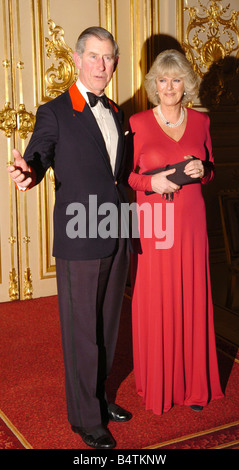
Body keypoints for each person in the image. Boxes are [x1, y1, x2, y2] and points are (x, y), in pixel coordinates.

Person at [7, 26, 131, 449]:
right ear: (76, 59)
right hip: (79, 236)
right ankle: (85, 419)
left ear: (115, 62)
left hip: (116, 231)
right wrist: (29, 172)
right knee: (81, 330)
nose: (101, 65)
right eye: (93, 56)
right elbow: (39, 153)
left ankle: (98, 398)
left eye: (108, 57)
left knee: (107, 325)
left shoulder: (116, 111)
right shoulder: (55, 111)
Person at [127, 49, 224, 416]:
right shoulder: (137, 122)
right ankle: (159, 384)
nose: (169, 87)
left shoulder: (201, 122)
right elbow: (127, 177)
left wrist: (203, 169)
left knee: (192, 295)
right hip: (155, 223)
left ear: (187, 83)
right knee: (157, 297)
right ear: (154, 84)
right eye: (163, 80)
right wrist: (154, 181)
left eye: (177, 79)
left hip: (191, 221)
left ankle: (195, 385)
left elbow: (211, 167)